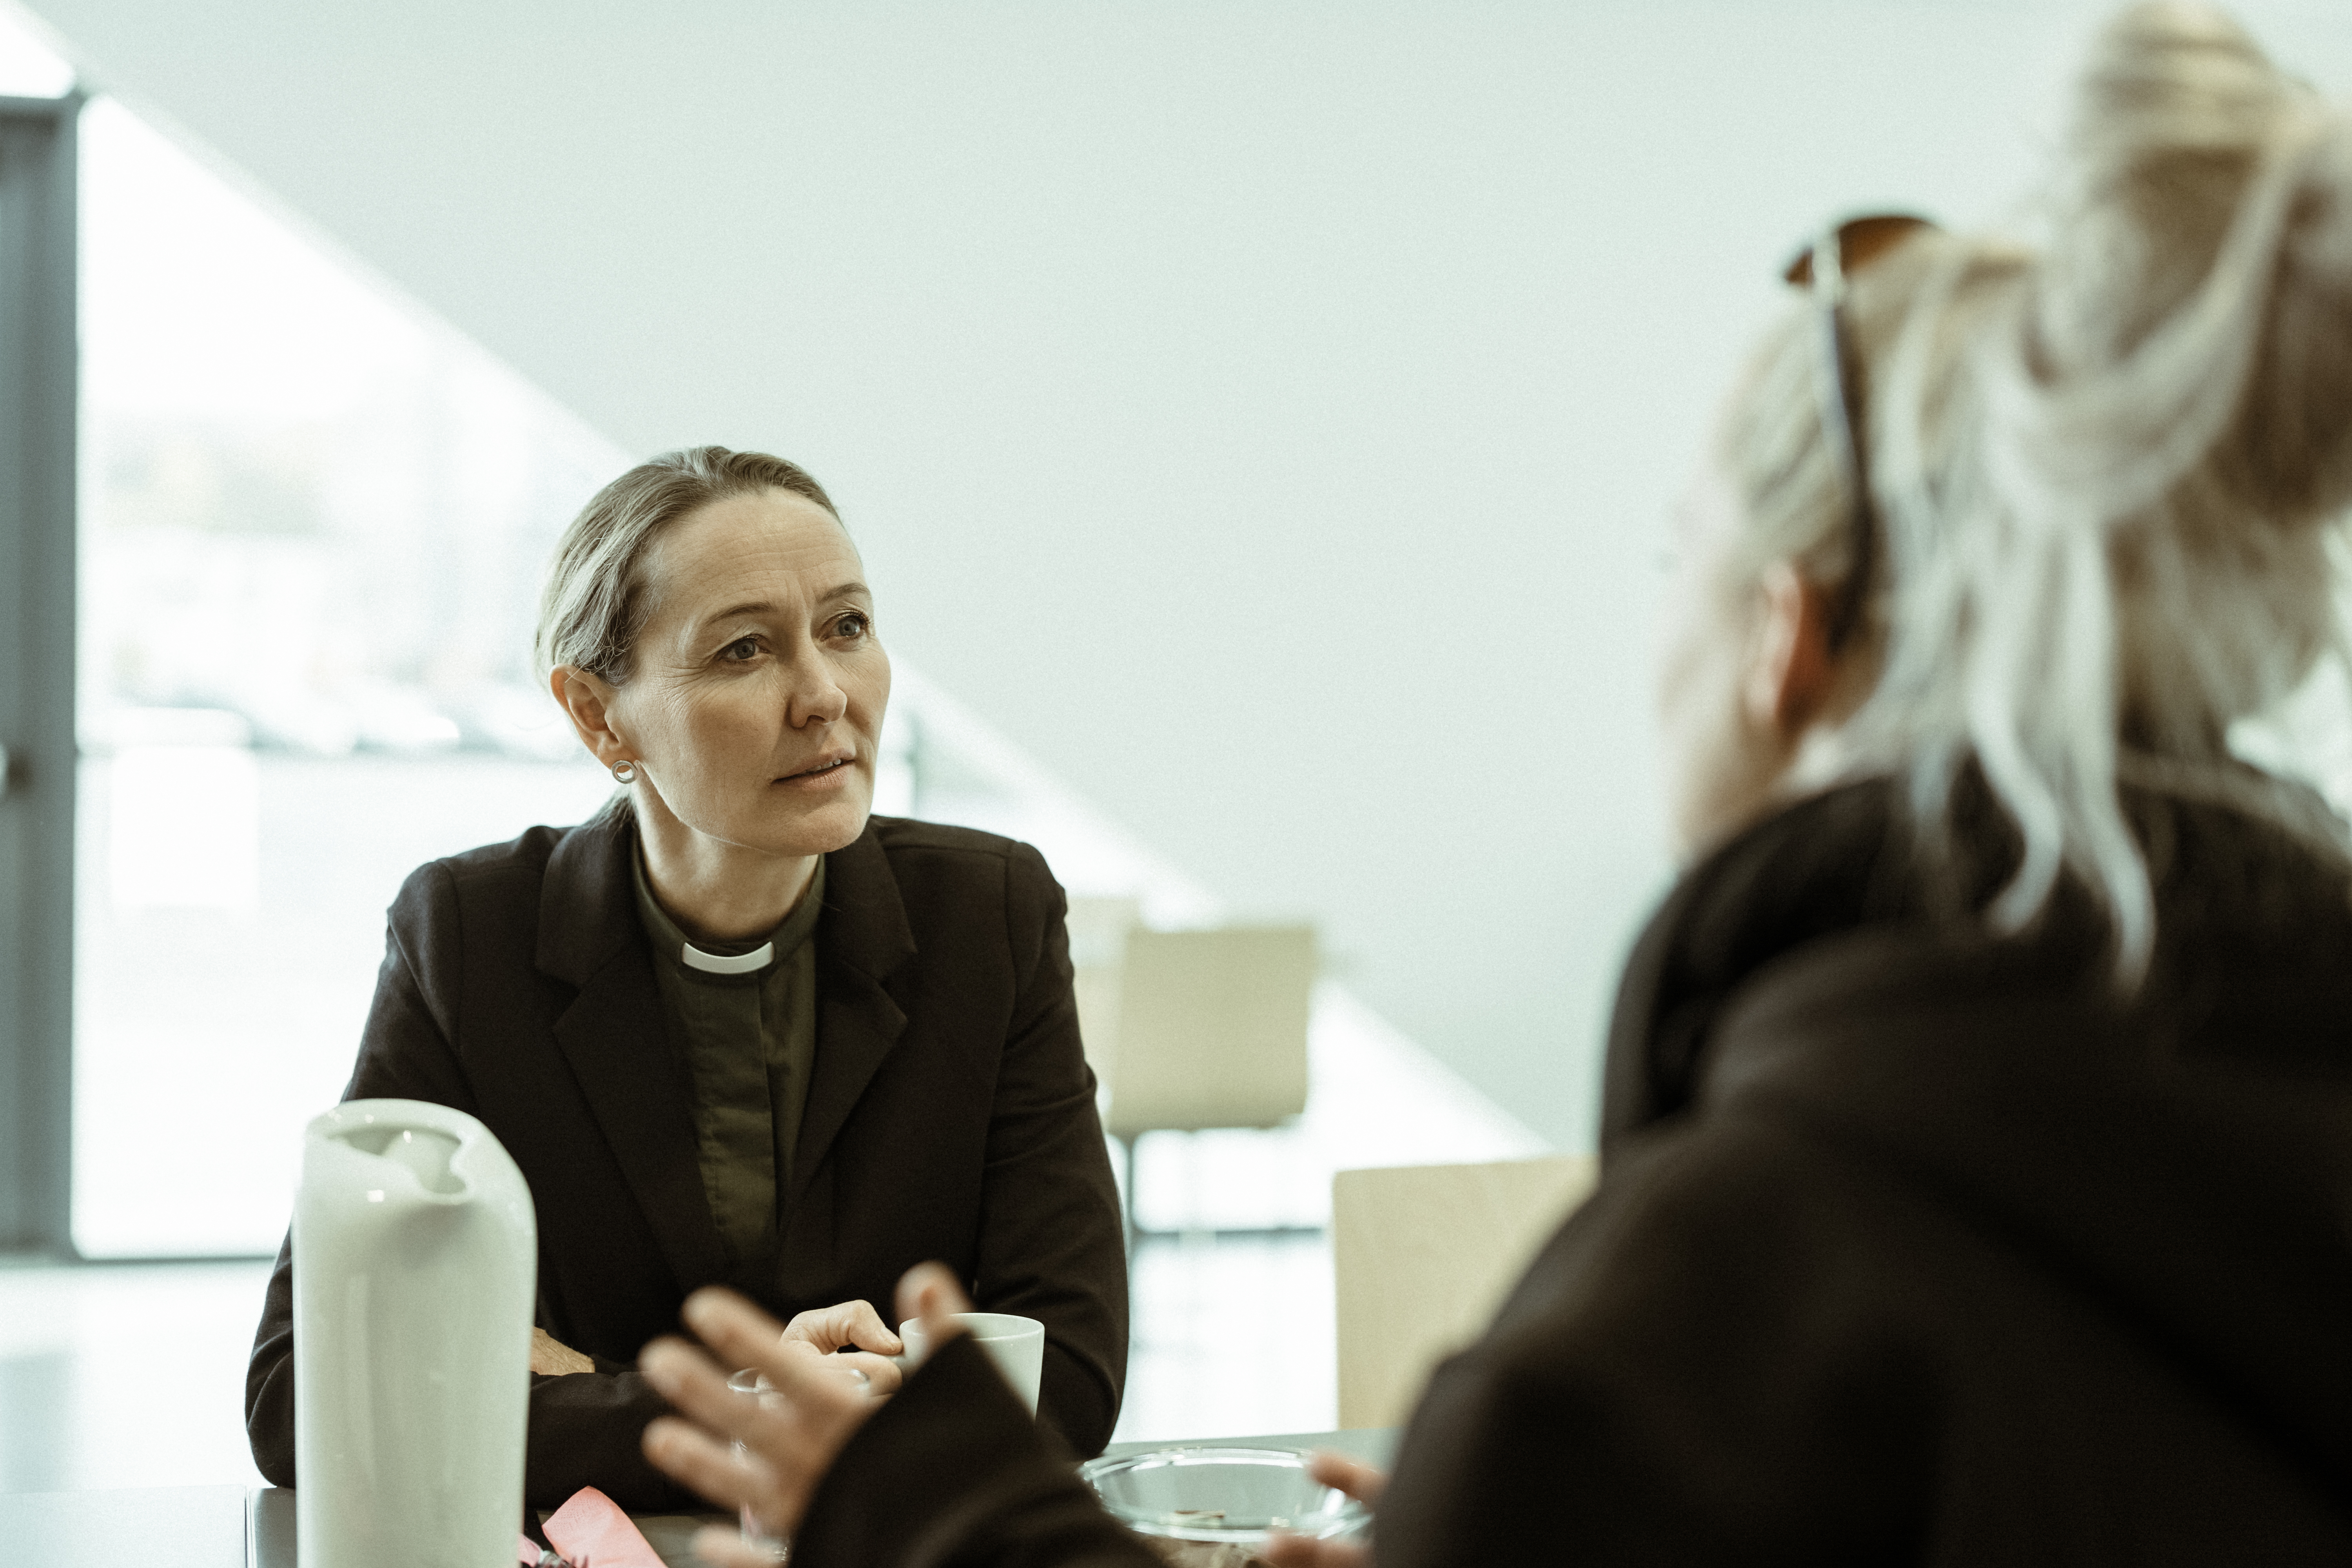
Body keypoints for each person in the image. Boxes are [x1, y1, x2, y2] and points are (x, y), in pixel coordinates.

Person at [625, 4, 2352, 1561]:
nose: (819, 691)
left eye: (1673, 553)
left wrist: (935, 1517)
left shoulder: (1746, 1286)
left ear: (1785, 636)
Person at [243, 446, 1129, 1508]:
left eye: (847, 627)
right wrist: (754, 1412)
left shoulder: (989, 913)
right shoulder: (470, 935)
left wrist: (570, 1385)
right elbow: (306, 1396)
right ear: (597, 716)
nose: (824, 695)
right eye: (745, 650)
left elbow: (1066, 1375)